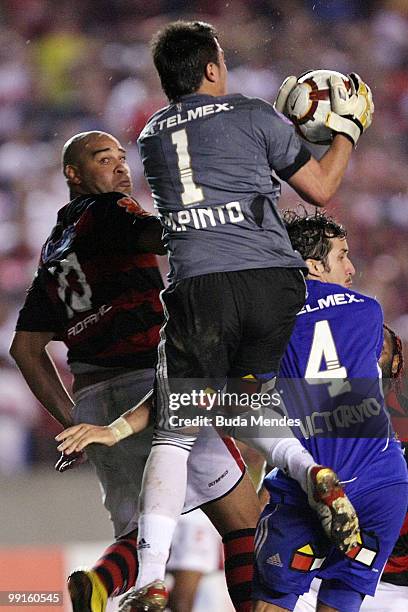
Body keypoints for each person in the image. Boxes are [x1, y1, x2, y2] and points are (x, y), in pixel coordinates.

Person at [120, 18, 374, 609]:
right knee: (245, 401)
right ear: (211, 69)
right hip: (272, 284)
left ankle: (149, 580)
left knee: (176, 431)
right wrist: (347, 130)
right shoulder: (254, 114)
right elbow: (320, 189)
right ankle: (310, 470)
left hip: (202, 288)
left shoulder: (151, 136)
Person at [9, 130, 261, 612]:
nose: (121, 168)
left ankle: (101, 584)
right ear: (73, 174)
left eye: (123, 159)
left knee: (140, 534)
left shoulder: (53, 252)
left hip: (94, 399)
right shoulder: (110, 211)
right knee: (244, 520)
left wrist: (73, 424)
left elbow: (26, 348)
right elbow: (165, 235)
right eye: (105, 160)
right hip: (153, 385)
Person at [253, 210, 408, 612]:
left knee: (273, 600)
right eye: (342, 256)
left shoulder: (268, 320)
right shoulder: (368, 311)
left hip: (307, 486)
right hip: (381, 484)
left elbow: (248, 392)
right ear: (313, 265)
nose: (352, 267)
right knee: (342, 596)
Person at [295, 323, 408, 612]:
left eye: (381, 349)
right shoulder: (316, 412)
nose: (373, 354)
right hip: (316, 575)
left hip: (395, 588)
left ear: (396, 362)